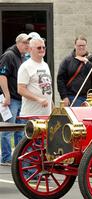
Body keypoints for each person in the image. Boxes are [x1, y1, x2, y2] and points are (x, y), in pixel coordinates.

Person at [0, 33, 31, 166]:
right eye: (25, 43)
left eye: (28, 43)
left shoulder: (22, 57)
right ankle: (6, 157)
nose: (27, 45)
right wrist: (6, 96)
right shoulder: (9, 55)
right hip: (11, 99)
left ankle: (18, 157)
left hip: (20, 99)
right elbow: (2, 76)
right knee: (8, 129)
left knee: (19, 130)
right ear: (18, 43)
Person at [57, 35, 92, 107]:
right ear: (75, 46)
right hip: (73, 97)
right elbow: (60, 80)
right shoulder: (67, 60)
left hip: (90, 98)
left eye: (83, 45)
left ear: (86, 46)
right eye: (79, 45)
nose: (81, 47)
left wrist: (86, 62)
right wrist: (64, 97)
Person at [18, 37, 52, 116]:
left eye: (44, 47)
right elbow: (21, 89)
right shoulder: (25, 66)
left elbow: (48, 88)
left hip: (46, 114)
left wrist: (52, 106)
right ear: (30, 49)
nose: (42, 50)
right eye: (39, 48)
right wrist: (38, 99)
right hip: (31, 114)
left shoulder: (45, 65)